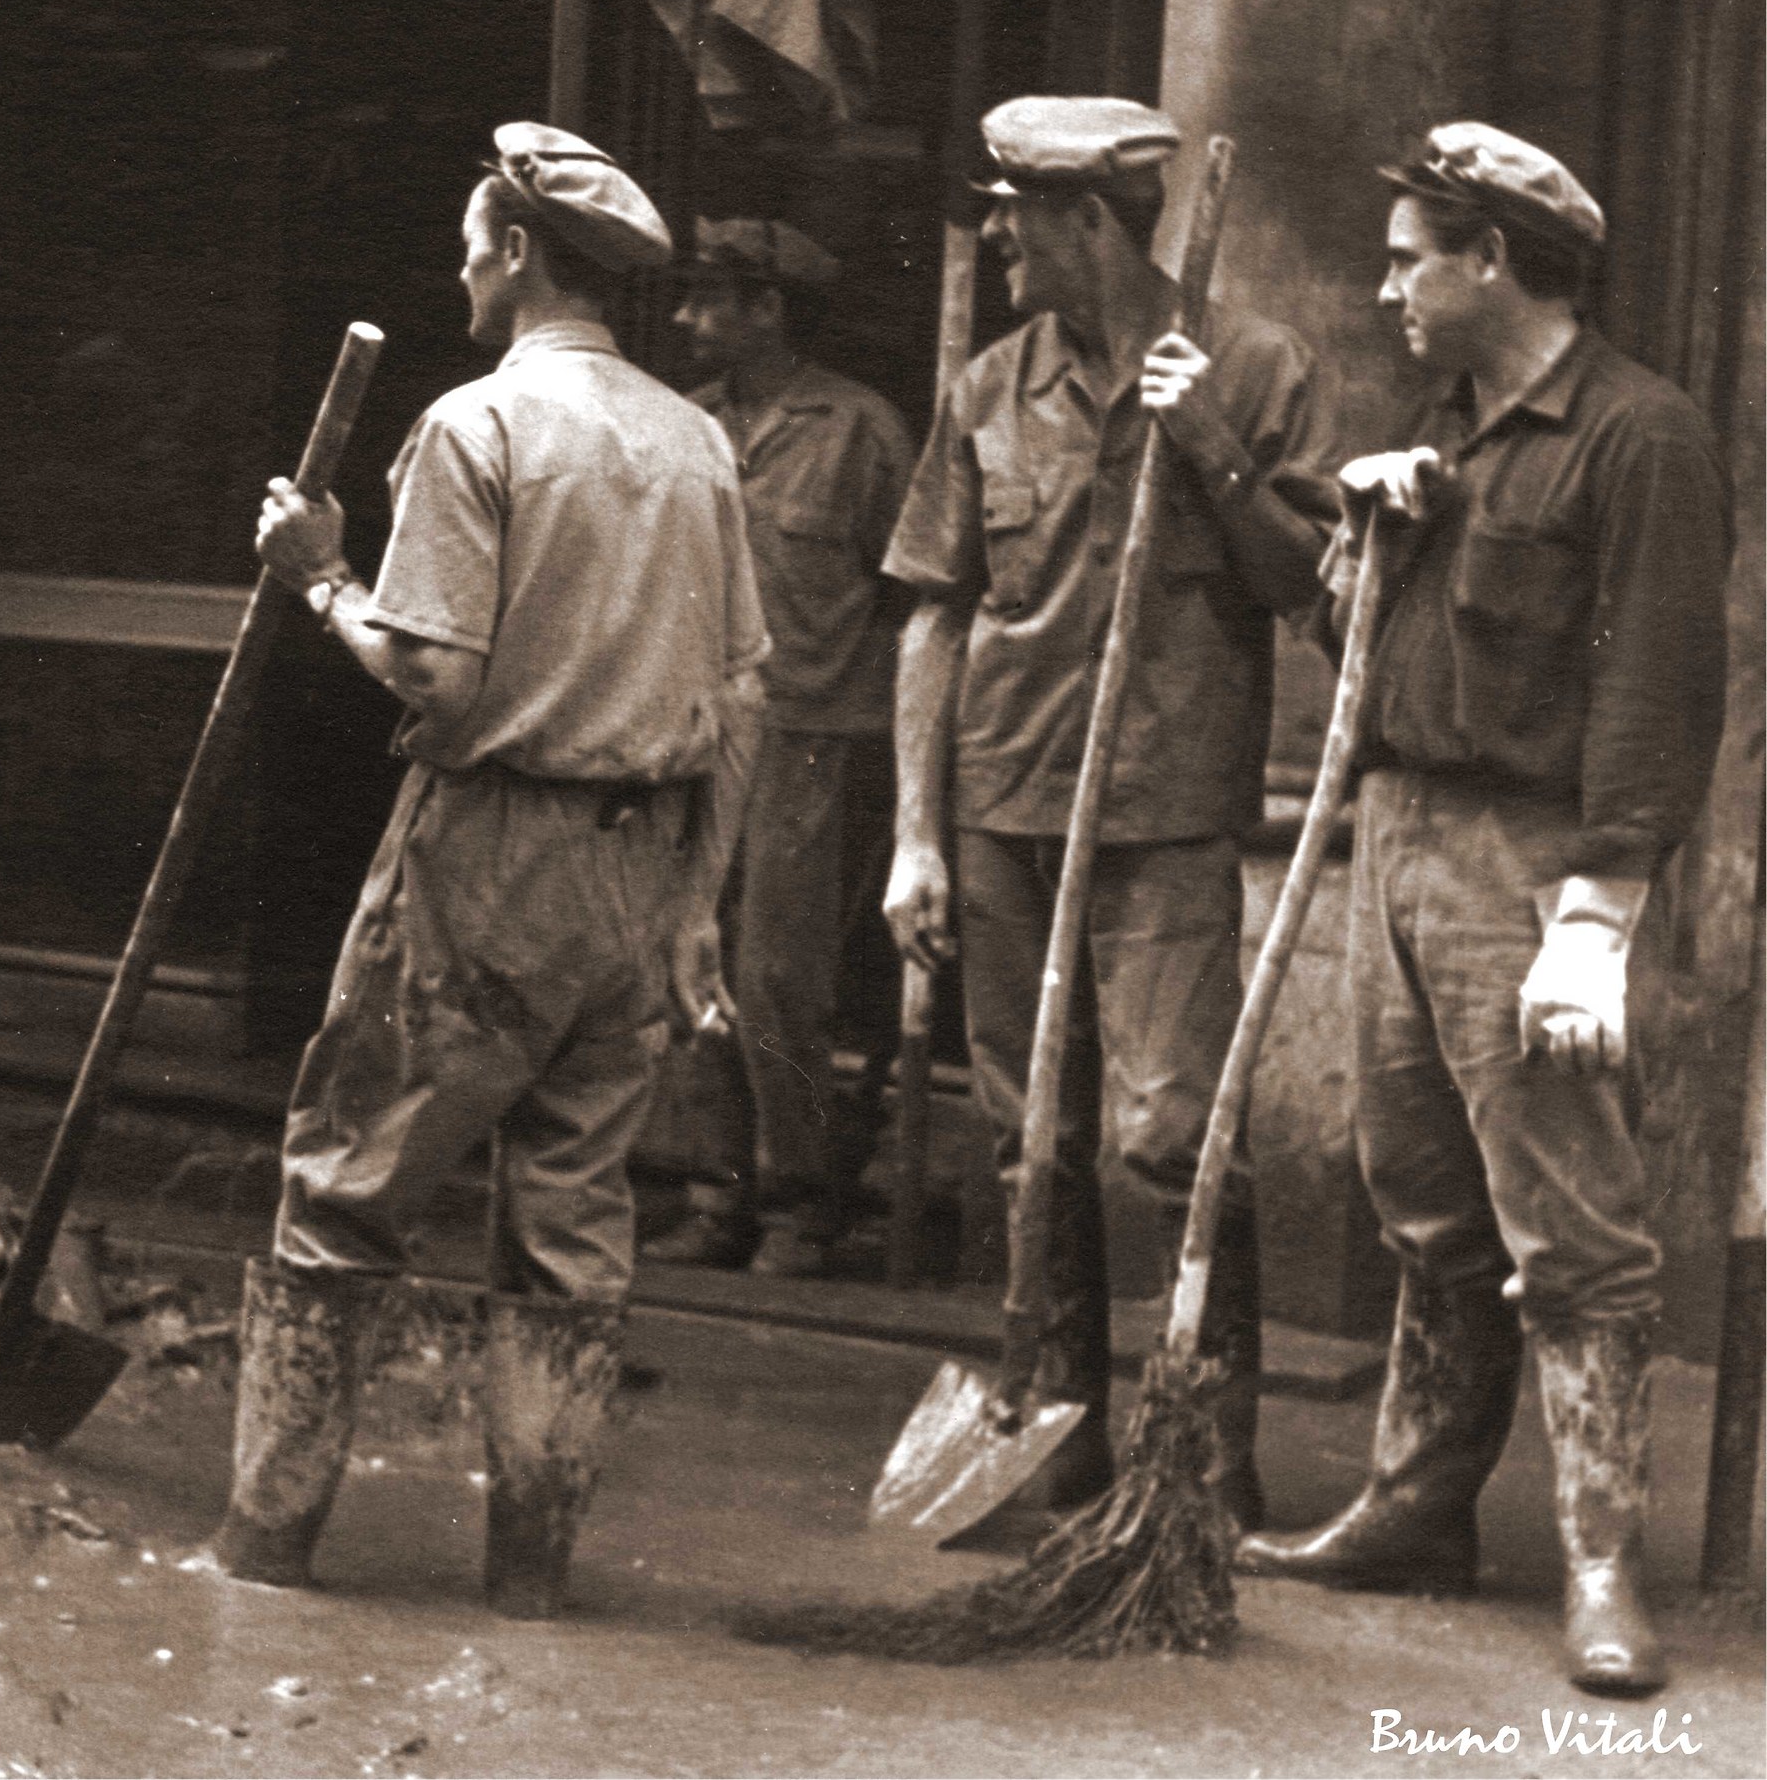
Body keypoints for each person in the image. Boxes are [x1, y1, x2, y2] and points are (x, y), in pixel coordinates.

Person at [189, 124, 768, 1617]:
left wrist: (318, 574)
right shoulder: (695, 440)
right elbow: (745, 693)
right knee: (571, 1227)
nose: (458, 265)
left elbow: (434, 676)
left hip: (490, 856)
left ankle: (264, 1549)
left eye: (469, 241)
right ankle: (531, 1579)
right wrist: (698, 903)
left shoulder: (476, 428)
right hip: (639, 873)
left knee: (345, 1180)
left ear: (515, 252)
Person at [1236, 124, 1731, 1699]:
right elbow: (1360, 644)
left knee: (1571, 1226)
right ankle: (1415, 1508)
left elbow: (1660, 688)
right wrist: (1359, 540)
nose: (1386, 287)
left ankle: (1600, 1561)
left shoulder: (1638, 437)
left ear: (1492, 261)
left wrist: (1599, 919)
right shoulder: (1441, 424)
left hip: (1531, 863)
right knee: (1423, 1201)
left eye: (1406, 259)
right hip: (1398, 836)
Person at [881, 96, 1339, 1530]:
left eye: (1015, 212)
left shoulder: (1257, 369)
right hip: (1007, 803)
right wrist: (914, 830)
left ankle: (1204, 1450)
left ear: (1088, 221)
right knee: (1031, 1138)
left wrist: (1208, 444)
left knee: (1169, 1129)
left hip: (1162, 815)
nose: (996, 235)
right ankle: (1062, 1427)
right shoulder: (988, 387)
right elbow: (935, 619)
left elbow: (1305, 587)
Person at [642, 218, 911, 1279]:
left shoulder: (860, 432)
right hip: (700, 740)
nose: (683, 318)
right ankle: (718, 1197)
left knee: (782, 975)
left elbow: (910, 597)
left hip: (811, 739)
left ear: (770, 309)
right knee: (693, 960)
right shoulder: (687, 427)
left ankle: (802, 1203)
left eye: (710, 298)